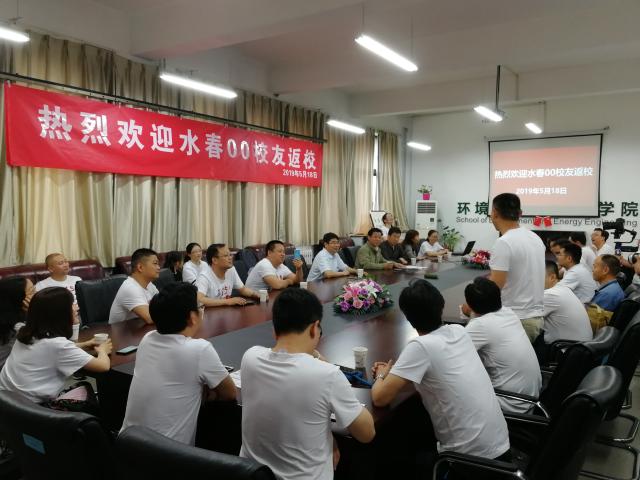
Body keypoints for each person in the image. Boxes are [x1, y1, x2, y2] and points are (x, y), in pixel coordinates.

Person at [240, 289, 375, 480]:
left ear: (274, 329)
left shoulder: (250, 358)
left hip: (252, 475)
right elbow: (366, 433)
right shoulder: (327, 375)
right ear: (315, 328)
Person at [371, 279, 510, 461]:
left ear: (407, 317)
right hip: (501, 447)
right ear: (441, 306)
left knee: (399, 448)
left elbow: (380, 398)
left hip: (469, 461)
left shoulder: (421, 347)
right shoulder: (459, 331)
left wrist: (381, 375)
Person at [120, 282, 236, 445]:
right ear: (193, 317)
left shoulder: (147, 339)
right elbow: (230, 393)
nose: (202, 310)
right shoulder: (200, 349)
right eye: (200, 306)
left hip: (126, 446)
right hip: (168, 455)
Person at [0, 287, 112, 407]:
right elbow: (103, 366)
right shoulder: (59, 345)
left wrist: (83, 345)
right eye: (72, 304)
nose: (77, 307)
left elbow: (47, 350)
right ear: (60, 313)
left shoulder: (25, 331)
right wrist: (103, 350)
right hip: (33, 409)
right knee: (87, 391)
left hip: (7, 402)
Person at [463, 277, 541, 413]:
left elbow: (452, 354)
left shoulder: (480, 325)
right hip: (531, 398)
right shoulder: (508, 312)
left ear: (470, 305)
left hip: (511, 404)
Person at [488, 193, 546, 343]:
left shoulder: (504, 242)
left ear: (495, 213)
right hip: (535, 317)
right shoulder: (535, 238)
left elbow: (494, 287)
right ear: (520, 213)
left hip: (515, 319)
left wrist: (470, 306)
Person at [543, 260, 592, 344]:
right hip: (580, 346)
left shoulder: (551, 294)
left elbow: (528, 318)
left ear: (552, 277)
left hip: (566, 348)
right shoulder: (563, 289)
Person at [109, 248, 160, 324]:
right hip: (121, 331)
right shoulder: (130, 288)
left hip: (138, 327)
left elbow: (163, 306)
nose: (159, 267)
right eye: (155, 263)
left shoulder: (150, 285)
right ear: (140, 267)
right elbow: (150, 318)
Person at [0, 277, 34, 370]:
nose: (36, 293)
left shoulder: (9, 316)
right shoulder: (16, 328)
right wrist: (35, 311)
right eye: (32, 291)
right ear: (18, 297)